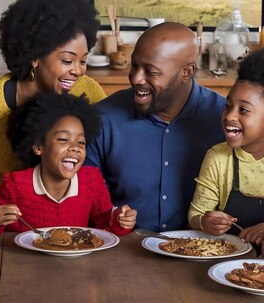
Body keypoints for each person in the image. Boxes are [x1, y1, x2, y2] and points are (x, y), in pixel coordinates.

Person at [86, 22, 225, 232]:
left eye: (151, 72)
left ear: (186, 72)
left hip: (203, 251)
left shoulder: (224, 120)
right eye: (134, 66)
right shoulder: (102, 118)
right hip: (120, 251)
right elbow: (85, 198)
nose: (136, 78)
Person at [0, 0, 106, 190]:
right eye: (67, 60)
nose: (78, 71)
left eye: (83, 60)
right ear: (34, 57)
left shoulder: (87, 90)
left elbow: (108, 144)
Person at [0, 91, 136, 236]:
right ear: (38, 146)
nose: (75, 147)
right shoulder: (15, 185)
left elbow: (105, 228)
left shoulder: (91, 181)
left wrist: (121, 221)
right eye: (63, 139)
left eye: (81, 142)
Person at [188, 49, 264, 254]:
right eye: (227, 106)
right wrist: (205, 222)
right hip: (226, 263)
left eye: (244, 110)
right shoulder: (218, 158)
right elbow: (196, 214)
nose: (229, 116)